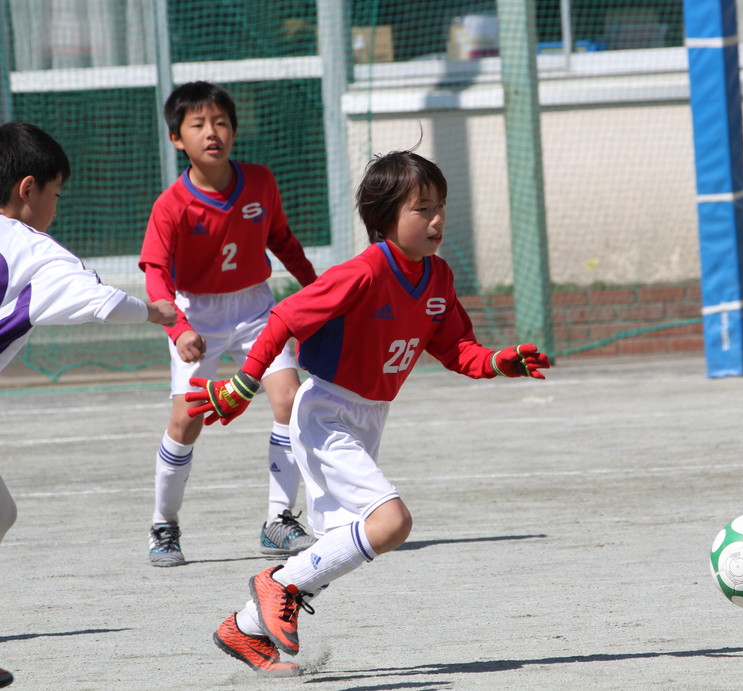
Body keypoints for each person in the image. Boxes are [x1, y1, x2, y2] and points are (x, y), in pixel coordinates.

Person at [184, 150, 550, 673]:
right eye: (422, 208)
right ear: (384, 217)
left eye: (441, 206)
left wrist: (497, 361)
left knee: (343, 545)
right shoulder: (364, 271)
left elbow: (457, 350)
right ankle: (276, 584)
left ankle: (242, 627)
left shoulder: (438, 277)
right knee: (392, 523)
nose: (437, 219)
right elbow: (284, 317)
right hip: (325, 412)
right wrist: (245, 382)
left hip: (370, 417)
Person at [0, 120, 178, 688]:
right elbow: (102, 303)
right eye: (56, 194)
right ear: (28, 189)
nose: (57, 208)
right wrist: (155, 312)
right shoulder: (33, 250)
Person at [139, 81, 320, 567]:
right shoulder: (171, 205)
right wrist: (178, 328)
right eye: (198, 124)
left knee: (289, 399)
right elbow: (155, 272)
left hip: (256, 309)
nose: (211, 132)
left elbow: (283, 240)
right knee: (186, 420)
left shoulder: (260, 181)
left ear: (234, 131)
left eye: (220, 122)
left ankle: (278, 520)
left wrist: (318, 291)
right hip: (196, 316)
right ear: (176, 138)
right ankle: (163, 523)